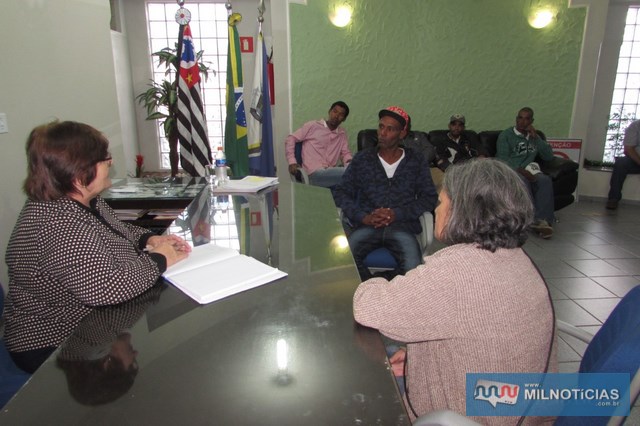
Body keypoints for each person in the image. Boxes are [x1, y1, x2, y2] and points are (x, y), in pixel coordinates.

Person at [353, 159, 557, 423]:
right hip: (516, 406)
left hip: (464, 418)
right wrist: (418, 359)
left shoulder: (459, 269)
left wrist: (372, 282)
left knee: (353, 389)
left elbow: (369, 307)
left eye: (441, 202)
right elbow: (473, 327)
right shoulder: (516, 257)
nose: (437, 210)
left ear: (463, 210)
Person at [3, 121, 191, 374]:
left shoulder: (83, 201)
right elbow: (104, 289)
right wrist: (159, 259)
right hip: (54, 342)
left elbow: (118, 231)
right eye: (105, 159)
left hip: (92, 324)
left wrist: (149, 240)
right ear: (80, 174)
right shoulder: (58, 224)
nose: (110, 163)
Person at [333, 106, 437, 281]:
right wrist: (363, 216)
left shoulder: (415, 160)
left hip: (402, 226)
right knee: (343, 264)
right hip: (367, 226)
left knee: (413, 272)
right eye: (381, 126)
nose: (383, 133)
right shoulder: (363, 159)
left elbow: (429, 197)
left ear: (402, 133)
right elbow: (341, 192)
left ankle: (385, 282)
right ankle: (373, 289)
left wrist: (397, 214)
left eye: (390, 129)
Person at [496, 107, 555, 239]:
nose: (522, 121)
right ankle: (529, 220)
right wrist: (520, 170)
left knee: (544, 180)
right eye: (520, 118)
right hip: (510, 170)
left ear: (531, 121)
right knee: (522, 180)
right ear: (516, 119)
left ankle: (542, 221)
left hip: (530, 169)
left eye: (526, 118)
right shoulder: (506, 135)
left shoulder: (535, 137)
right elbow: (502, 158)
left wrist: (537, 139)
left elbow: (549, 157)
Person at [285, 101, 353, 188]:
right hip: (312, 175)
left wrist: (349, 162)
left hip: (329, 173)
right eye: (335, 111)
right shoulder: (313, 126)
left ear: (344, 119)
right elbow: (291, 138)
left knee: (354, 173)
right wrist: (292, 161)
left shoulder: (341, 134)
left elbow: (345, 153)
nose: (336, 116)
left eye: (341, 115)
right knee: (354, 173)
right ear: (329, 111)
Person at [606, 119, 640, 210]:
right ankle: (613, 198)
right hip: (636, 160)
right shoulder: (636, 125)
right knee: (621, 163)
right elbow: (628, 149)